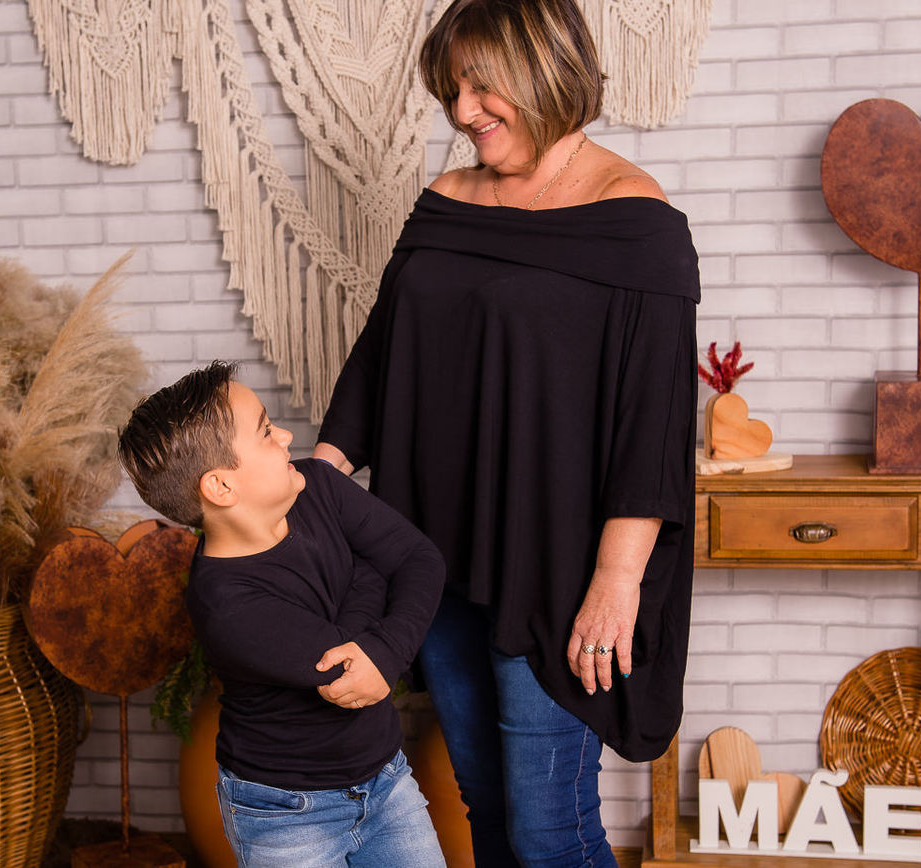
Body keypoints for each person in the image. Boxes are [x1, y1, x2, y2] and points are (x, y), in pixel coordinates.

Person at [313, 1, 701, 864]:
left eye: (482, 86)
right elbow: (382, 352)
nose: (462, 111)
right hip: (432, 554)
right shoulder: (448, 201)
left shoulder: (637, 222)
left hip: (558, 569)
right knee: (484, 809)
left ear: (546, 69)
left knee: (549, 830)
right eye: (452, 90)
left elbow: (654, 424)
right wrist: (323, 473)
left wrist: (617, 580)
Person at [118, 361, 447, 868]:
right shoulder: (226, 603)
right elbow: (347, 668)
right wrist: (372, 570)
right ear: (221, 487)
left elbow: (421, 559)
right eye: (266, 431)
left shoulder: (318, 483)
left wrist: (382, 647)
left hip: (387, 782)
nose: (287, 436)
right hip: (286, 815)